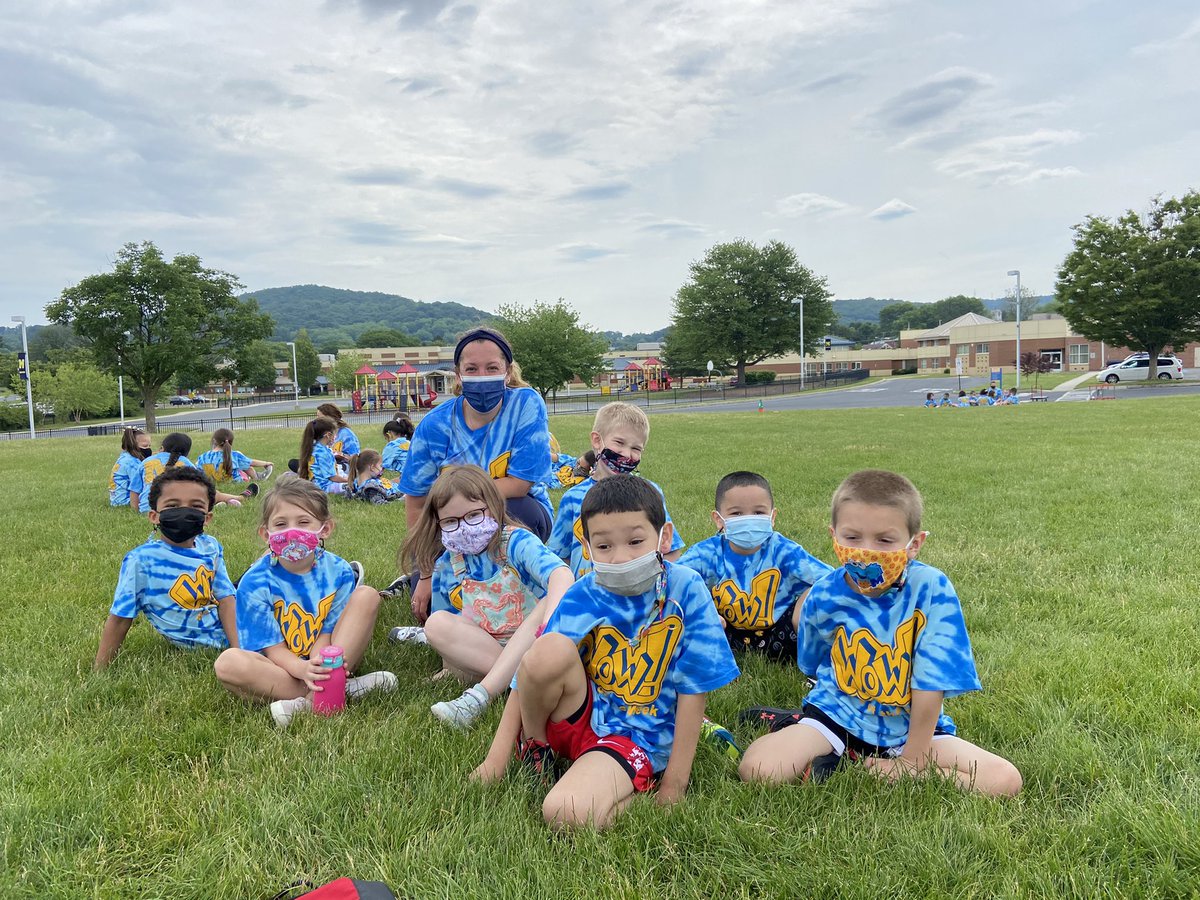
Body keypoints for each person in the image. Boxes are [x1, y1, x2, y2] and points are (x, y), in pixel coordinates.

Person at [475, 475, 739, 830]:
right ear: (586, 545)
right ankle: (537, 750)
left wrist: (675, 785)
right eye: (604, 547)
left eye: (635, 541)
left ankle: (639, 782)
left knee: (564, 812)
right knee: (546, 649)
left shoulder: (685, 588)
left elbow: (695, 687)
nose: (620, 558)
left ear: (663, 536)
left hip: (639, 734)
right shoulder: (585, 590)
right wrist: (495, 759)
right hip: (582, 714)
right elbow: (528, 673)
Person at [738, 469, 1022, 797]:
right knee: (757, 769)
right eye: (852, 537)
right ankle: (803, 729)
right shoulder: (824, 594)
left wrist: (912, 763)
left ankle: (850, 765)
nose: (865, 552)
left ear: (914, 544)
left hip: (910, 729)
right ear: (834, 535)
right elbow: (815, 661)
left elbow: (931, 685)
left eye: (885, 540)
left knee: (1004, 780)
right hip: (838, 714)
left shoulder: (931, 590)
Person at [391, 465, 574, 729]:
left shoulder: (516, 542)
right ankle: (517, 682)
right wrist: (449, 669)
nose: (464, 528)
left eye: (474, 515)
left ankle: (481, 695)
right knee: (436, 623)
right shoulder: (448, 565)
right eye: (451, 522)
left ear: (493, 506)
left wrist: (548, 619)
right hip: (489, 648)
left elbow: (561, 574)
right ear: (438, 523)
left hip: (538, 645)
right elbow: (452, 623)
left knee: (546, 603)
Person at [396, 327, 553, 620]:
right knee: (432, 609)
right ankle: (433, 582)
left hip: (517, 514)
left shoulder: (525, 405)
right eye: (472, 369)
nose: (482, 376)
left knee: (515, 509)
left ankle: (512, 583)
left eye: (492, 368)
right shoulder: (435, 426)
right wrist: (426, 572)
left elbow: (519, 485)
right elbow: (417, 503)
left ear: (507, 372)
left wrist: (461, 501)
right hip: (449, 526)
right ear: (458, 375)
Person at [213, 477, 395, 728]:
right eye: (280, 524)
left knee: (367, 595)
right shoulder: (254, 582)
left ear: (325, 528)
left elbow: (327, 634)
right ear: (266, 533)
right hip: (277, 666)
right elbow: (272, 650)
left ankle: (314, 698)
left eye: (303, 522)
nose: (292, 531)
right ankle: (338, 690)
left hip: (328, 658)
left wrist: (318, 666)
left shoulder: (339, 570)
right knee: (228, 663)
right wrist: (302, 669)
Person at [677, 471, 832, 660]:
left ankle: (817, 661)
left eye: (758, 512)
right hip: (724, 634)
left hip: (782, 634)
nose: (748, 519)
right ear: (719, 519)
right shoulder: (706, 554)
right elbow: (673, 580)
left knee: (814, 595)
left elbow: (830, 580)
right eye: (737, 513)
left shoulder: (785, 551)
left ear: (772, 517)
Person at [95, 467, 237, 669]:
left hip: (240, 622)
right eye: (172, 505)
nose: (184, 511)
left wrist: (239, 649)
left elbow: (226, 598)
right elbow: (120, 618)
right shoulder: (142, 560)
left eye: (196, 506)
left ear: (207, 517)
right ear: (154, 516)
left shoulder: (210, 546)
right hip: (209, 642)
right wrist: (100, 669)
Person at [546, 402, 685, 580]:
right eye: (619, 442)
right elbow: (559, 556)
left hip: (637, 592)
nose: (627, 454)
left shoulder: (649, 493)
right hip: (588, 597)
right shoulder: (572, 499)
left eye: (636, 448)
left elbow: (671, 550)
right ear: (597, 440)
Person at [196, 428, 272, 495]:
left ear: (214, 441)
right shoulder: (234, 455)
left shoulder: (202, 457)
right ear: (231, 442)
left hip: (212, 483)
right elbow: (251, 462)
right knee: (247, 467)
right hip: (235, 481)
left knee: (241, 465)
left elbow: (198, 471)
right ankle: (258, 478)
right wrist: (265, 463)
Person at [298, 416, 348, 494]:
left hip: (315, 485)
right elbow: (332, 477)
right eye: (335, 434)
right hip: (324, 487)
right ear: (328, 435)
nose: (335, 437)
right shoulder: (323, 453)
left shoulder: (314, 448)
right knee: (353, 486)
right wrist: (349, 480)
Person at [109, 427, 151, 507]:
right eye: (145, 446)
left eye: (149, 446)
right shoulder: (133, 463)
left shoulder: (124, 458)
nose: (148, 449)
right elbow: (142, 485)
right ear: (133, 445)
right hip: (126, 501)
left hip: (117, 500)